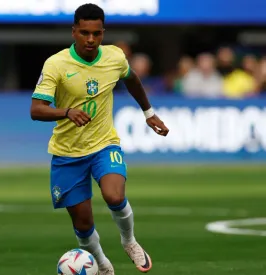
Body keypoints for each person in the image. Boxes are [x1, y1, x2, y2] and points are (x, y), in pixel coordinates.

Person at [30, 4, 169, 274]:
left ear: (103, 32)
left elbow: (132, 79)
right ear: (74, 32)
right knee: (82, 223)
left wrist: (148, 113)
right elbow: (36, 109)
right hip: (67, 153)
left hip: (104, 144)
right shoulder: (56, 64)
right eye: (84, 33)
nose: (91, 39)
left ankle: (129, 241)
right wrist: (66, 112)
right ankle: (102, 264)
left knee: (114, 195)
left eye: (96, 33)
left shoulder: (115, 57)